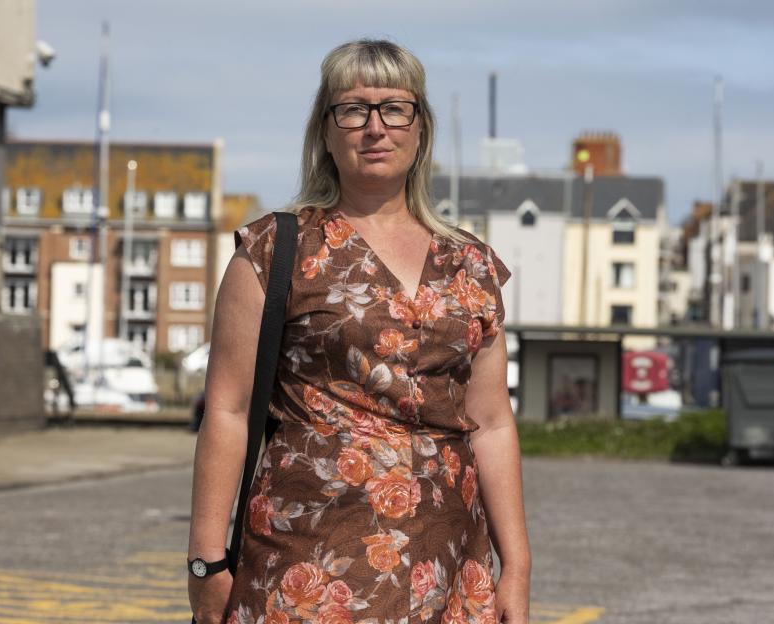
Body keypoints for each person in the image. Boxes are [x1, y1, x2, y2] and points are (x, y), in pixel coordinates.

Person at [188, 39, 531, 624]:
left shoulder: (470, 264)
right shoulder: (276, 250)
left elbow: (493, 423)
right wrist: (206, 561)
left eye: (395, 107)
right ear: (324, 130)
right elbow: (226, 409)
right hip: (308, 563)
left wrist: (517, 567)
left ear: (421, 128)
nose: (375, 126)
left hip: (447, 564)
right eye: (353, 108)